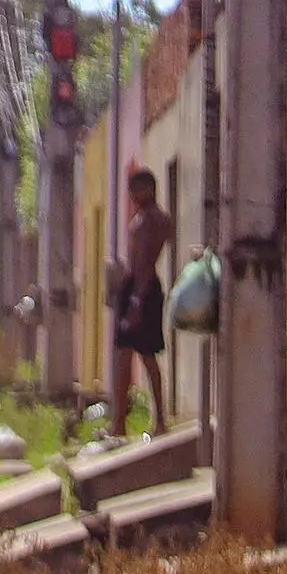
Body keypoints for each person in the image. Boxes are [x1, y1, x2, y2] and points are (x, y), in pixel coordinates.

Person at [112, 167, 175, 435]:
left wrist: (137, 300)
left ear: (150, 188)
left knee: (146, 355)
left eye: (138, 189)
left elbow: (146, 262)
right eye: (132, 191)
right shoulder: (144, 217)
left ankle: (157, 420)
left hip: (143, 290)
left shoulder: (153, 219)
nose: (134, 195)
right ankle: (120, 424)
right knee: (125, 356)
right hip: (135, 288)